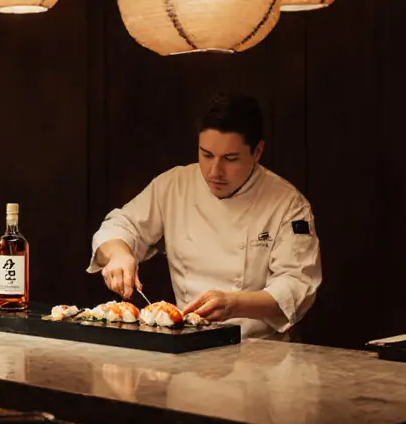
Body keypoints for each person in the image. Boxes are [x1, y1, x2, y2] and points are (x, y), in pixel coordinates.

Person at [87, 93, 321, 340]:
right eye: (206, 155)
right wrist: (119, 254)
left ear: (258, 151)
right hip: (188, 345)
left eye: (230, 159)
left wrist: (235, 304)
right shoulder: (174, 185)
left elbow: (297, 285)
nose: (214, 171)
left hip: (260, 354)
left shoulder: (288, 204)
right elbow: (121, 225)